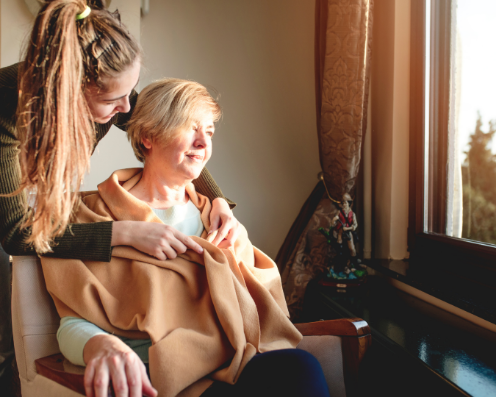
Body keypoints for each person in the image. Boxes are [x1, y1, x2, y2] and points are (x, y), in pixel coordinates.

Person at [0, 0, 239, 384]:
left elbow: (159, 128)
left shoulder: (112, 84)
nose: (127, 108)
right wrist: (124, 233)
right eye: (114, 102)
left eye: (130, 93)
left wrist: (219, 202)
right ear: (69, 92)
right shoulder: (6, 106)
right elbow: (14, 233)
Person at [43, 78, 331, 397]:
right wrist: (99, 344)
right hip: (157, 375)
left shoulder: (217, 219)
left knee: (300, 367)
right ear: (149, 136)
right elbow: (72, 323)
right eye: (190, 128)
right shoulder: (93, 218)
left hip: (232, 364)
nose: (203, 143)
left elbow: (259, 312)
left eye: (208, 131)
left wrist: (238, 247)